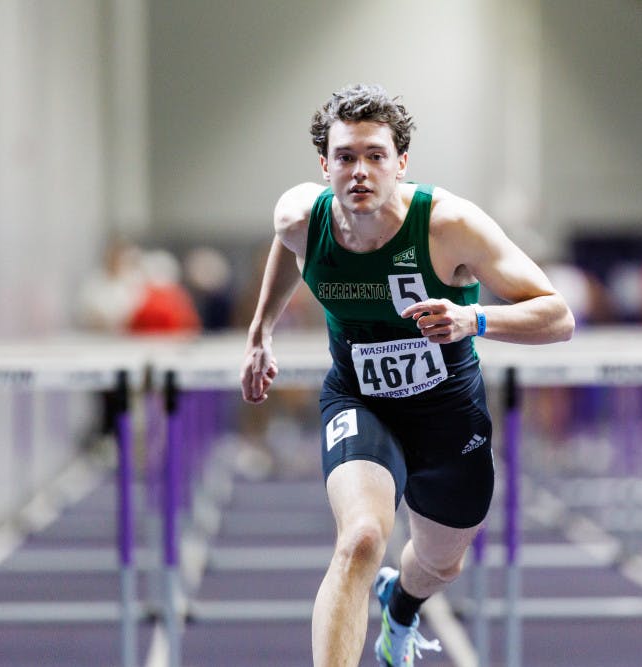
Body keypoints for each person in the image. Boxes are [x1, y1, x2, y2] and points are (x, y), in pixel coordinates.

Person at [240, 83, 574, 666]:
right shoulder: (300, 219)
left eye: (375, 155)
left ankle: (401, 604)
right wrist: (260, 330)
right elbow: (288, 248)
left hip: (447, 413)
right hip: (359, 400)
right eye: (345, 157)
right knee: (362, 537)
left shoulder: (450, 226)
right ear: (324, 166)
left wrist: (473, 319)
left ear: (401, 163)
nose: (360, 171)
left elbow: (558, 316)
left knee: (440, 564)